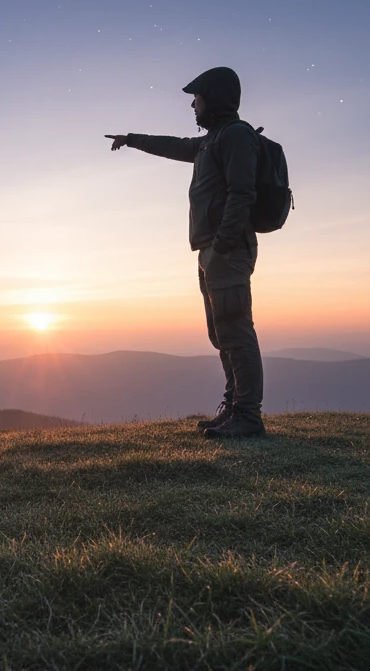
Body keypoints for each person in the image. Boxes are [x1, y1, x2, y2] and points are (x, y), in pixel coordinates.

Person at [106, 66, 265, 437]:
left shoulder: (236, 136)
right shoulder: (211, 141)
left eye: (197, 98)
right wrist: (131, 139)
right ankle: (235, 406)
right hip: (211, 251)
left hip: (226, 250)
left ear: (215, 98)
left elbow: (243, 193)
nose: (193, 106)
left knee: (236, 331)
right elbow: (174, 145)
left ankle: (248, 416)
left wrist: (224, 243)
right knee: (221, 334)